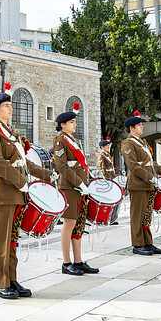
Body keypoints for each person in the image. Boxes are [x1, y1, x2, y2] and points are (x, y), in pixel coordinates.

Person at [0, 82, 57, 299]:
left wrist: (46, 173)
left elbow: (24, 163)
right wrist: (20, 181)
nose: (10, 108)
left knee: (13, 238)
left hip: (16, 192)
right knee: (1, 240)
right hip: (4, 192)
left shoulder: (12, 134)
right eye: (6, 105)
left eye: (10, 105)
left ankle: (11, 279)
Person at [53, 102, 99, 276]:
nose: (75, 124)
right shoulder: (59, 141)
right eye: (71, 122)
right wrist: (79, 184)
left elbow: (81, 165)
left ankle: (78, 261)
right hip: (70, 187)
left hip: (80, 187)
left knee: (78, 224)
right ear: (63, 125)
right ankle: (66, 262)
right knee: (69, 223)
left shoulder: (75, 141)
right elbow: (63, 167)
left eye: (74, 122)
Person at [121, 112, 161, 255]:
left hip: (148, 183)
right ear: (131, 128)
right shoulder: (127, 144)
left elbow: (151, 163)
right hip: (137, 184)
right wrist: (151, 177)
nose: (142, 127)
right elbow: (134, 166)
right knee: (137, 215)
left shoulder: (142, 143)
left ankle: (147, 242)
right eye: (139, 125)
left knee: (147, 215)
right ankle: (137, 244)